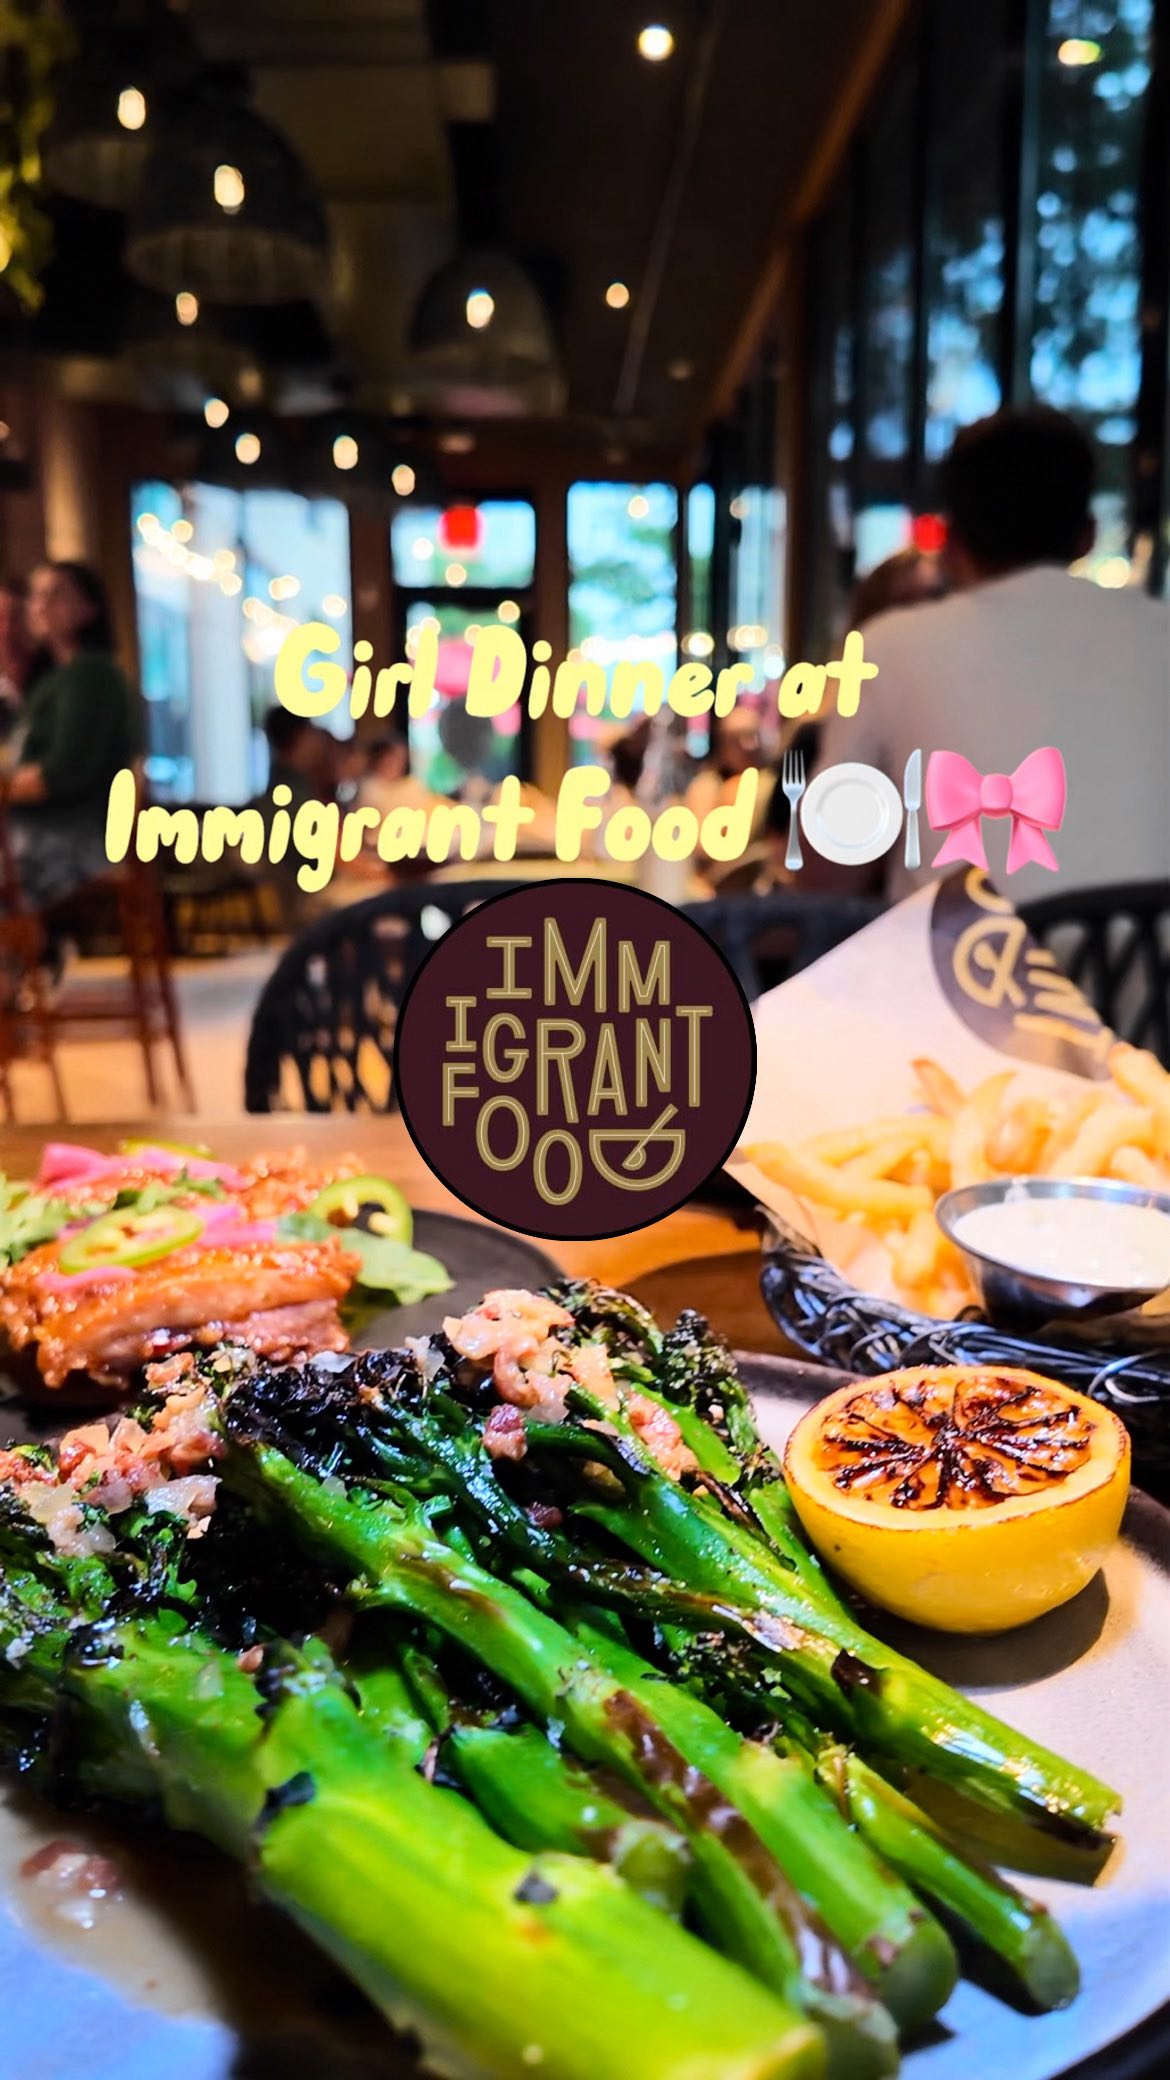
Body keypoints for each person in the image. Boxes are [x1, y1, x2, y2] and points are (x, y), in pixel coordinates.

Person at [813, 408, 1170, 902]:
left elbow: (828, 874)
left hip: (961, 952)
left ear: (951, 543)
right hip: (1147, 952)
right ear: (1087, 536)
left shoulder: (888, 647)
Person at [1, 562, 141, 910]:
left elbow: (65, 771)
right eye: (36, 595)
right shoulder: (51, 681)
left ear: (89, 608)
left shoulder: (92, 675)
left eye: (56, 594)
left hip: (76, 838)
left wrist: (8, 786)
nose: (41, 605)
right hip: (35, 832)